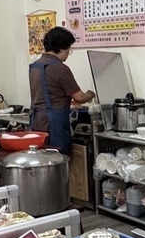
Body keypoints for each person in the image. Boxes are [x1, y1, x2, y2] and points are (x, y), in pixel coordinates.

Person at [29, 27, 95, 155]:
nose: (68, 54)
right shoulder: (60, 68)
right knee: (58, 159)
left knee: (41, 160)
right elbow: (80, 97)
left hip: (36, 122)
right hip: (53, 125)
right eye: (69, 50)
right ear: (60, 49)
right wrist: (91, 94)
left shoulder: (35, 66)